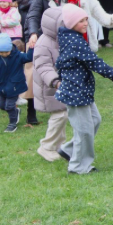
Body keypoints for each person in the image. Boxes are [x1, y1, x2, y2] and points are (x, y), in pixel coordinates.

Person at [54, 4, 113, 174]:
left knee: (94, 120)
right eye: (81, 21)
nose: (85, 23)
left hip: (82, 89)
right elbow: (95, 62)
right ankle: (78, 166)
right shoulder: (75, 41)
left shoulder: (71, 36)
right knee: (84, 130)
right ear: (71, 23)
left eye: (86, 19)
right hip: (76, 91)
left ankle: (69, 150)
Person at [32, 8, 69, 161]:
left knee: (63, 112)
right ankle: (46, 146)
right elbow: (43, 66)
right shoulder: (43, 44)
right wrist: (55, 81)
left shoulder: (60, 39)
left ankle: (59, 145)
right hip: (48, 87)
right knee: (60, 115)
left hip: (59, 85)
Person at [0, 34, 35, 132]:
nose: (4, 54)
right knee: (2, 105)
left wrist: (31, 48)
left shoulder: (18, 56)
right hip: (2, 86)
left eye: (6, 52)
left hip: (14, 85)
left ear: (11, 49)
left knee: (9, 106)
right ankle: (16, 111)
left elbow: (28, 58)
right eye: (1, 52)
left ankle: (12, 124)